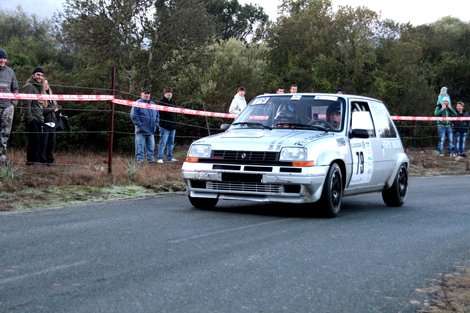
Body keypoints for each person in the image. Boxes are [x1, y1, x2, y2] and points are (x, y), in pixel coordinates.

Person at [21, 67, 46, 165]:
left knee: (37, 140)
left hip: (40, 117)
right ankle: (31, 162)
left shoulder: (41, 87)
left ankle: (34, 161)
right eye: (38, 74)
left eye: (42, 75)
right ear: (33, 75)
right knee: (34, 139)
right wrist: (29, 118)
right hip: (32, 118)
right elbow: (25, 104)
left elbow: (41, 104)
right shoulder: (29, 86)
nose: (40, 77)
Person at [0, 48, 19, 165]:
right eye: (0, 58)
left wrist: (13, 104)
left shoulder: (10, 72)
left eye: (4, 58)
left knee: (5, 134)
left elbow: (15, 89)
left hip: (7, 108)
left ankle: (2, 158)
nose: (2, 60)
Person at [130, 88, 159, 164]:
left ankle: (151, 161)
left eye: (148, 93)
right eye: (145, 93)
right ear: (141, 94)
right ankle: (140, 161)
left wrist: (156, 125)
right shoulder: (137, 103)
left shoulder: (153, 104)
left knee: (151, 147)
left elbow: (157, 116)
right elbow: (133, 116)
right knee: (140, 147)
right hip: (141, 131)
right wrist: (141, 125)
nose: (147, 95)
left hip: (151, 130)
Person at [40, 78, 59, 165]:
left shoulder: (51, 95)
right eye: (44, 84)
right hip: (45, 123)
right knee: (44, 144)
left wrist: (52, 108)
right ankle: (43, 161)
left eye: (47, 84)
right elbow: (42, 110)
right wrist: (52, 109)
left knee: (52, 143)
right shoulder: (40, 96)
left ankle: (50, 161)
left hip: (53, 123)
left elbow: (57, 106)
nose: (46, 86)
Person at [157, 86, 178, 163]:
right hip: (164, 127)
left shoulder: (173, 102)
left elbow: (176, 114)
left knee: (171, 143)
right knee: (163, 143)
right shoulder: (161, 102)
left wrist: (175, 123)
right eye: (167, 93)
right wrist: (164, 124)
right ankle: (160, 158)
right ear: (165, 93)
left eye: (170, 93)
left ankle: (170, 157)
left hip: (173, 127)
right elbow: (160, 115)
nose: (169, 94)